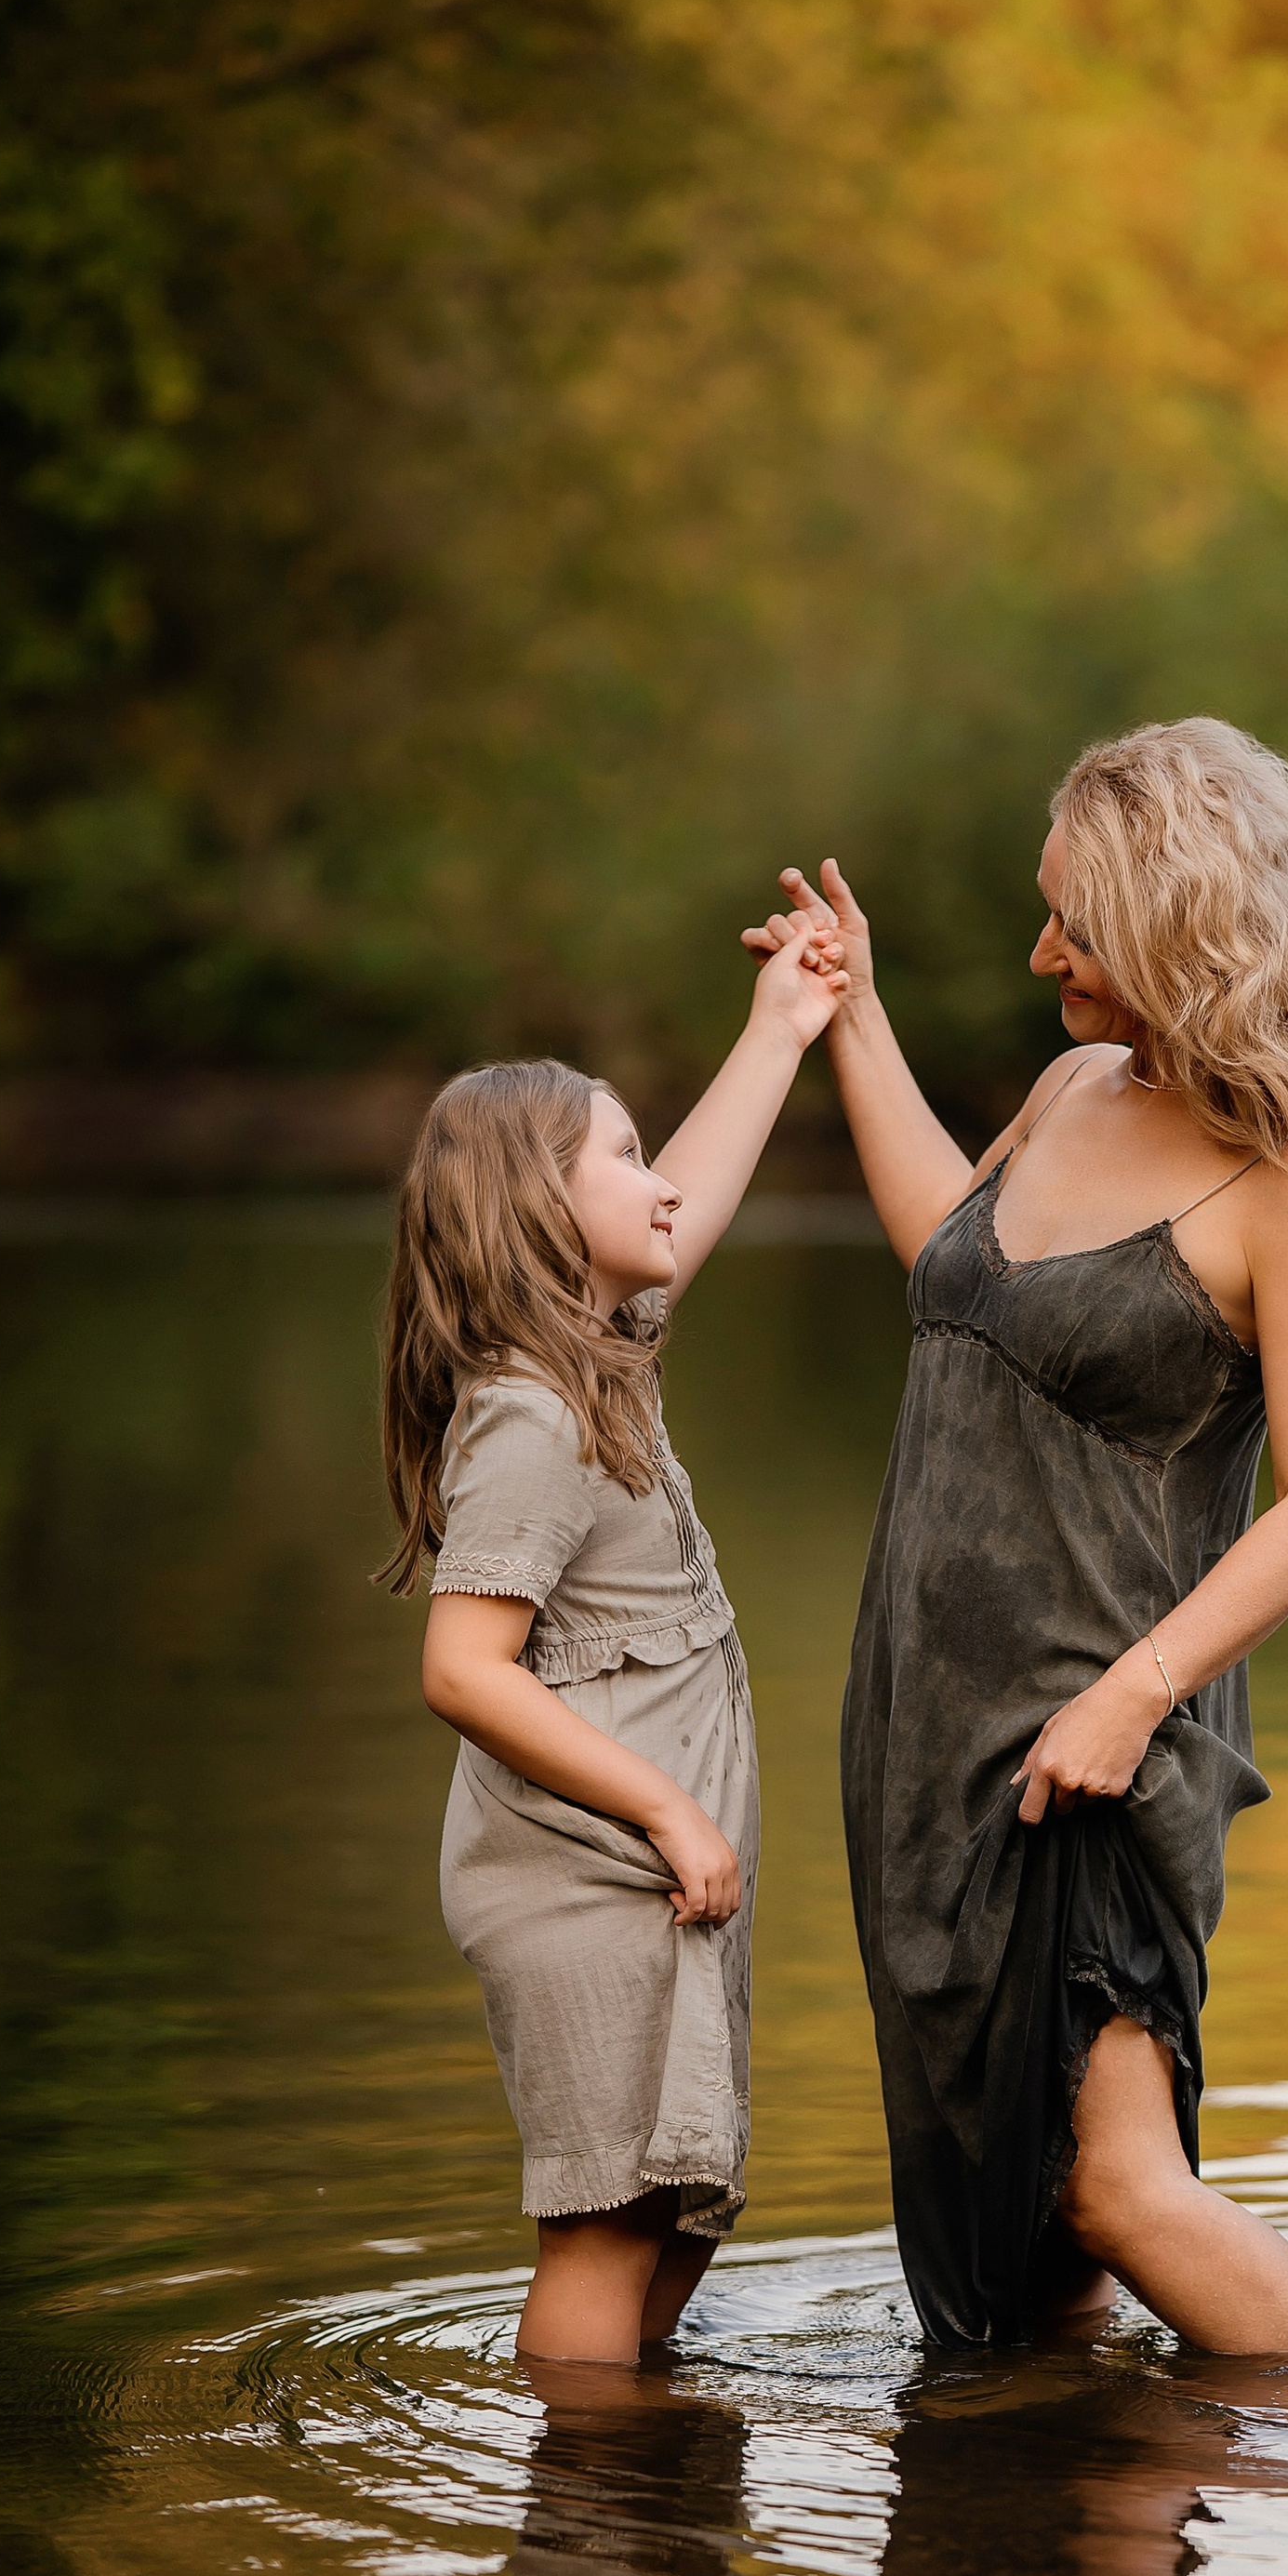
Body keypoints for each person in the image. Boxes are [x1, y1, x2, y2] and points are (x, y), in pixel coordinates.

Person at [758, 715, 1288, 2357]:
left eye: (1074, 921)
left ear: (1179, 931)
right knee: (1020, 2228)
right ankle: (1059, 2550)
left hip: (1095, 1747)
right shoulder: (1064, 1089)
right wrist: (854, 1018)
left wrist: (1133, 1698)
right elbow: (953, 1269)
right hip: (928, 1727)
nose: (1040, 947)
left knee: (1114, 2185)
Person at [378, 911, 844, 2368]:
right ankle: (588, 2532)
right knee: (606, 2225)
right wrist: (666, 1811)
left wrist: (779, 1027)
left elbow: (675, 1219)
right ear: (537, 1207)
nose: (663, 1185)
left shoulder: (599, 1363)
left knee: (668, 2219)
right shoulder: (527, 1414)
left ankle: (634, 2518)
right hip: (592, 1881)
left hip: (655, 1880)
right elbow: (462, 1670)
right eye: (627, 1156)